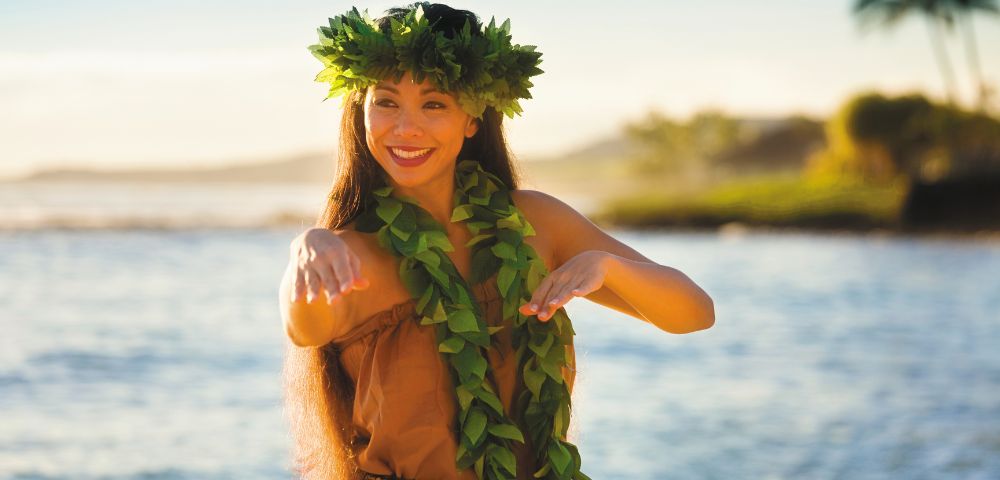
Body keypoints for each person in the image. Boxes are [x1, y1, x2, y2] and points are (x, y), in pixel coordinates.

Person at [278, 3, 715, 479]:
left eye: (434, 103)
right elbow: (305, 328)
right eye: (386, 102)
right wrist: (306, 249)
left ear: (472, 119)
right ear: (360, 110)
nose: (406, 128)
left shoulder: (535, 223)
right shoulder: (351, 255)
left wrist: (607, 265)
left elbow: (695, 314)